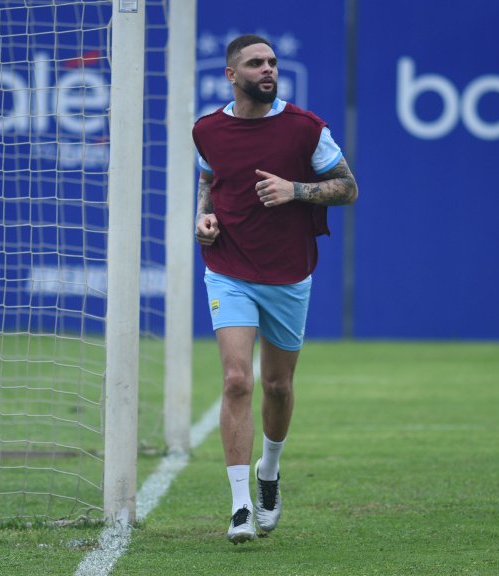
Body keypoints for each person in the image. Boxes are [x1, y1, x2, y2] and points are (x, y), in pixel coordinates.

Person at [191, 34, 359, 544]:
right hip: (228, 268)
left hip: (288, 273)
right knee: (237, 379)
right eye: (255, 63)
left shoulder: (306, 129)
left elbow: (349, 188)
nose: (268, 70)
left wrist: (296, 191)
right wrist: (204, 218)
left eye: (272, 63)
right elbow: (208, 180)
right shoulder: (208, 129)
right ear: (230, 74)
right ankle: (241, 506)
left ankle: (269, 471)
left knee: (277, 386)